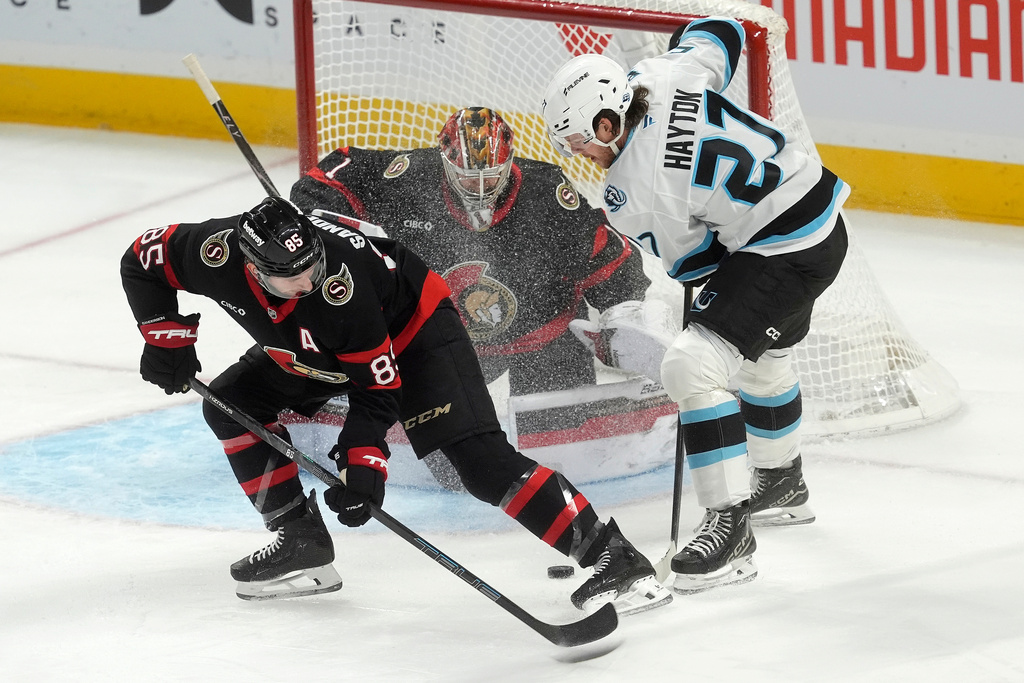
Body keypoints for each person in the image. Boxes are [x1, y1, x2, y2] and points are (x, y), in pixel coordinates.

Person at [119, 195, 672, 615]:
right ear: (252, 268)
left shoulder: (338, 290)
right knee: (229, 405)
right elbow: (141, 260)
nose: (309, 280)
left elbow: (377, 388)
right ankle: (301, 540)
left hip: (415, 335)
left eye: (312, 266)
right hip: (311, 347)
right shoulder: (211, 253)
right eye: (291, 277)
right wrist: (165, 339)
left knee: (480, 463)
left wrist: (363, 461)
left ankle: (614, 558)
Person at [541, 17, 850, 594]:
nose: (581, 153)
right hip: (821, 216)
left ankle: (730, 528)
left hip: (783, 248)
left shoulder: (631, 191)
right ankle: (781, 480)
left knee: (691, 364)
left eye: (581, 139)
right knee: (755, 353)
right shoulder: (660, 76)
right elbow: (721, 35)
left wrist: (714, 297)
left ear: (608, 122)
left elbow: (695, 263)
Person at [289, 106, 674, 399]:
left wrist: (623, 316)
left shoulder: (547, 194)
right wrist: (319, 223)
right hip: (452, 340)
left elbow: (609, 260)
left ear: (509, 163)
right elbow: (335, 172)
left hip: (546, 338)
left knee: (560, 439)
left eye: (490, 177)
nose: (478, 189)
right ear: (445, 163)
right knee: (447, 462)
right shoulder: (411, 177)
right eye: (466, 177)